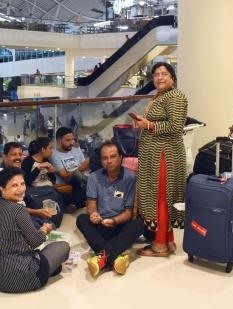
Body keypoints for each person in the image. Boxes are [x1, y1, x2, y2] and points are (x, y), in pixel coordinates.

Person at [0, 167, 70, 293]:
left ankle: (51, 268)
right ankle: (48, 270)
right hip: (17, 278)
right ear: (2, 189)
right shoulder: (18, 210)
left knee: (52, 263)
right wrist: (44, 230)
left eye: (22, 184)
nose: (21, 189)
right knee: (63, 247)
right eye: (14, 185)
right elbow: (36, 241)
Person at [130, 62, 188, 257]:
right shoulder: (162, 96)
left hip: (165, 156)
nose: (159, 77)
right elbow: (160, 121)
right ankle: (168, 241)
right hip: (157, 154)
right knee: (162, 198)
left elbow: (175, 126)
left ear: (173, 77)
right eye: (156, 74)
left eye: (164, 74)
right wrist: (143, 122)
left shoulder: (176, 96)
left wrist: (149, 126)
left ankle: (160, 245)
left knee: (161, 199)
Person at [76, 141, 144, 277]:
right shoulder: (94, 177)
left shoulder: (130, 178)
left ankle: (102, 258)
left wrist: (113, 221)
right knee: (81, 219)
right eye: (105, 158)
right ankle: (115, 257)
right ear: (101, 160)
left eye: (113, 157)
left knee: (138, 224)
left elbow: (128, 213)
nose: (109, 161)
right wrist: (93, 214)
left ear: (120, 158)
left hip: (119, 224)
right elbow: (91, 204)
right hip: (100, 224)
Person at [21, 137, 63, 228]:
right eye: (50, 148)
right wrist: (38, 168)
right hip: (35, 192)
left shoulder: (47, 161)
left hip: (49, 190)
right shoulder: (28, 161)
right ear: (43, 149)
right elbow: (26, 181)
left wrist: (51, 172)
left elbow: (52, 181)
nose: (52, 151)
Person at [50, 127, 88, 213]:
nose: (72, 142)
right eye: (68, 140)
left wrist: (81, 169)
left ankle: (75, 204)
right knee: (77, 176)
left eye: (73, 139)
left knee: (82, 180)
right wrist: (79, 169)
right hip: (65, 184)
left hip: (79, 182)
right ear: (59, 140)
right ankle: (78, 202)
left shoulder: (76, 150)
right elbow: (64, 175)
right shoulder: (54, 155)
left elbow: (85, 168)